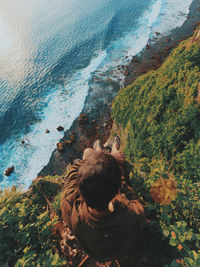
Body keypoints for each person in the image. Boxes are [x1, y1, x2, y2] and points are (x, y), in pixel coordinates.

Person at [61, 136, 145, 262]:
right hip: (121, 249)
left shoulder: (69, 205)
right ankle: (109, 150)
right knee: (94, 155)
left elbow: (73, 171)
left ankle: (99, 150)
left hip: (98, 256)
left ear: (80, 190)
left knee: (87, 153)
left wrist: (95, 162)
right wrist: (113, 161)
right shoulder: (132, 214)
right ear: (117, 191)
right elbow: (134, 199)